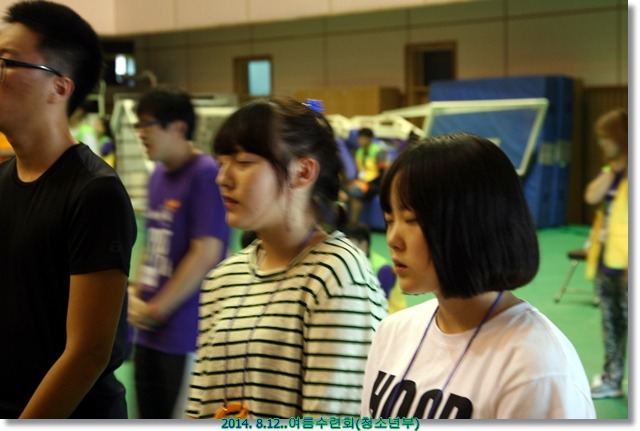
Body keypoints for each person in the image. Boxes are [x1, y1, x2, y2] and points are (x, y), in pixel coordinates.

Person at [361, 133, 595, 419]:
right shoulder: (393, 331)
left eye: (412, 220)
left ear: (473, 223)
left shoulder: (536, 369)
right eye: (389, 220)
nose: (393, 239)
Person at [187, 96, 388, 419]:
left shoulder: (337, 277)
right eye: (222, 162)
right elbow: (199, 407)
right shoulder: (222, 279)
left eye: (244, 162)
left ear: (303, 172)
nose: (222, 177)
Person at [0, 0, 137, 418]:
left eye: (6, 63)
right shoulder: (3, 178)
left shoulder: (95, 193)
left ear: (59, 87)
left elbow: (88, 353)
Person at [128, 86, 230, 418]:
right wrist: (138, 291)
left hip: (185, 334)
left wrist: (158, 309)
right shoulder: (158, 174)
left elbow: (206, 252)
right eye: (138, 125)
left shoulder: (205, 174)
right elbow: (154, 240)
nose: (141, 133)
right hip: (148, 331)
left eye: (148, 124)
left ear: (179, 128)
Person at [583, 108, 628, 399]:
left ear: (621, 137)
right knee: (611, 327)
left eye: (605, 137)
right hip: (607, 263)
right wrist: (615, 170)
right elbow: (591, 196)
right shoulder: (611, 172)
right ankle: (612, 379)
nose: (601, 143)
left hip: (629, 268)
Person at [344, 221, 407, 314]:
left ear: (364, 244)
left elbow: (379, 303)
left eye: (351, 245)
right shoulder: (352, 264)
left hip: (391, 316)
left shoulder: (384, 269)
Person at [347, 127, 388, 222]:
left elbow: (384, 172)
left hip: (375, 183)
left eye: (362, 138)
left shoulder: (379, 152)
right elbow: (359, 171)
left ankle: (353, 222)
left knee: (356, 192)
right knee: (346, 190)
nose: (360, 140)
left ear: (369, 138)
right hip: (362, 181)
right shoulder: (359, 152)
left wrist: (384, 189)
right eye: (359, 138)